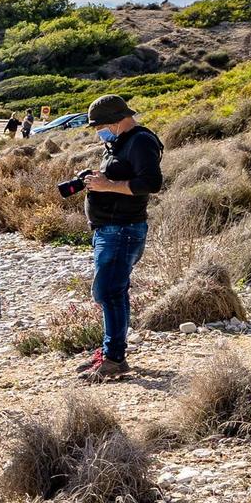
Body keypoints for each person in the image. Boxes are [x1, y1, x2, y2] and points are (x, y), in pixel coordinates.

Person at [78, 94, 165, 382]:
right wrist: (96, 180)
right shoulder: (118, 141)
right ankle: (111, 352)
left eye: (100, 125)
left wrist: (109, 185)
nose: (98, 131)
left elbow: (151, 183)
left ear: (117, 120)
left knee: (108, 292)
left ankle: (114, 357)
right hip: (111, 229)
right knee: (113, 291)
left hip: (122, 230)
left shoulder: (140, 141)